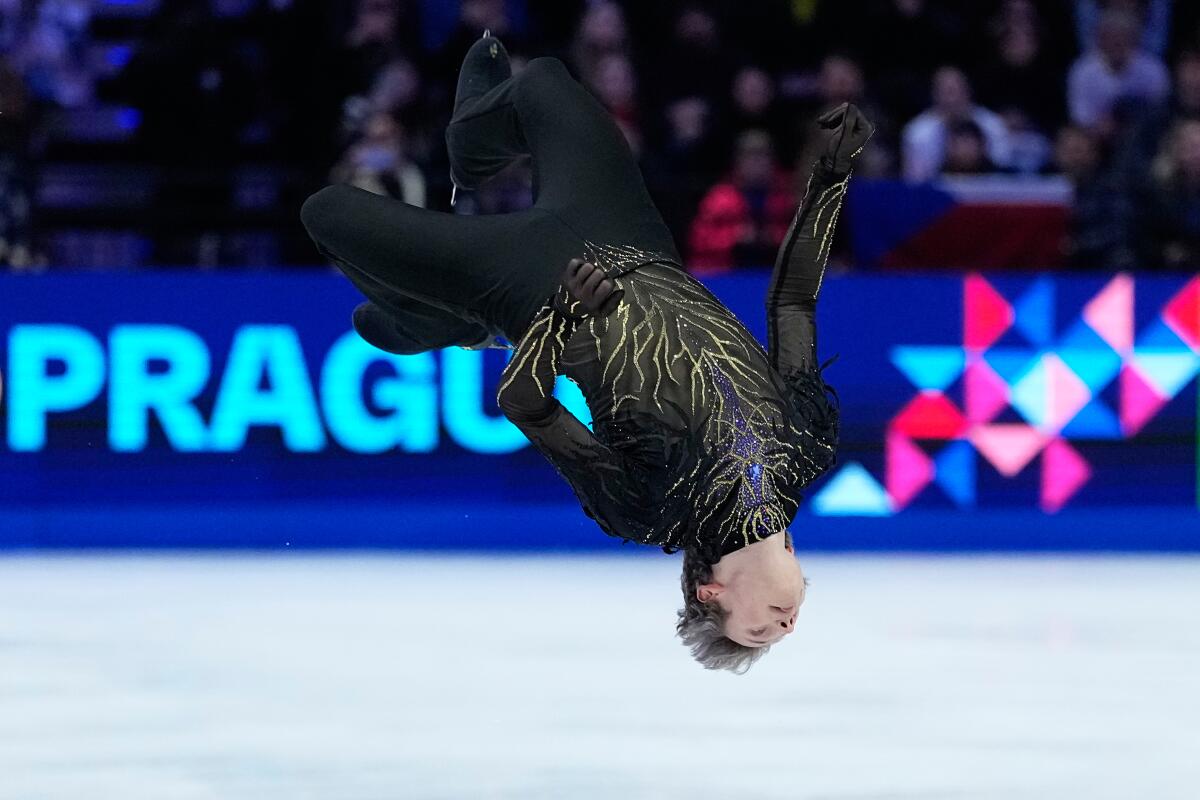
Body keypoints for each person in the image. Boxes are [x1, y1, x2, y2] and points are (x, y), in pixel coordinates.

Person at [300, 35, 873, 673]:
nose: (786, 628)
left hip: (531, 284)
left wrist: (560, 317)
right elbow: (792, 302)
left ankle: (456, 321)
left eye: (758, 635)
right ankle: (468, 155)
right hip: (631, 234)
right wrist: (829, 179)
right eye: (783, 632)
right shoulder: (806, 445)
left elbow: (525, 404)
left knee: (328, 213)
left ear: (711, 594)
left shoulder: (649, 510)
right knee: (544, 80)